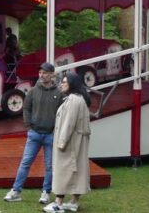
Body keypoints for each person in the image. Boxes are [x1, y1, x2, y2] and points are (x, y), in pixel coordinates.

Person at [4, 62, 61, 204]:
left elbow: (62, 113)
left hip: (50, 135)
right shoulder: (33, 91)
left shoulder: (58, 93)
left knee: (49, 166)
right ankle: (16, 191)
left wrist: (56, 129)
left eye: (45, 73)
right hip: (34, 133)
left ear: (52, 74)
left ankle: (45, 193)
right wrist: (28, 126)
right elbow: (26, 108)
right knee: (25, 163)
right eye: (40, 72)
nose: (42, 75)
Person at [44, 73, 92, 213]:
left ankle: (58, 203)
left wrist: (62, 142)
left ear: (72, 84)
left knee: (63, 171)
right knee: (77, 171)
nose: (62, 84)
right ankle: (73, 202)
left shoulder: (73, 100)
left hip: (70, 143)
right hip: (76, 142)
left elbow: (68, 123)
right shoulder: (78, 99)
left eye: (65, 82)